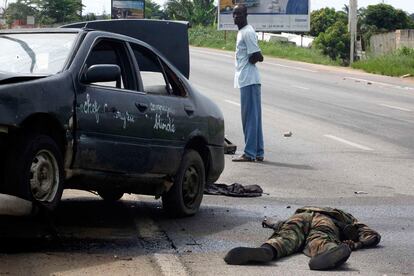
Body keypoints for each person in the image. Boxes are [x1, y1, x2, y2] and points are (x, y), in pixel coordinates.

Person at [224, 206, 381, 270]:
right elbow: (373, 235)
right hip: (326, 221)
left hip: (300, 215)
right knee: (321, 240)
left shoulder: (306, 210)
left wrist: (269, 222)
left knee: (285, 237)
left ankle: (266, 251)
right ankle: (332, 250)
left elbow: (279, 224)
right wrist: (356, 244)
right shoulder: (345, 217)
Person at [231, 4, 265, 162]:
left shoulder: (248, 32)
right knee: (254, 117)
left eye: (238, 14)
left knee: (249, 118)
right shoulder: (242, 32)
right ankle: (258, 152)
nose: (235, 17)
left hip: (249, 80)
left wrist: (253, 58)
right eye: (234, 14)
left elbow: (257, 55)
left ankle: (250, 153)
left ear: (246, 14)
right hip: (247, 80)